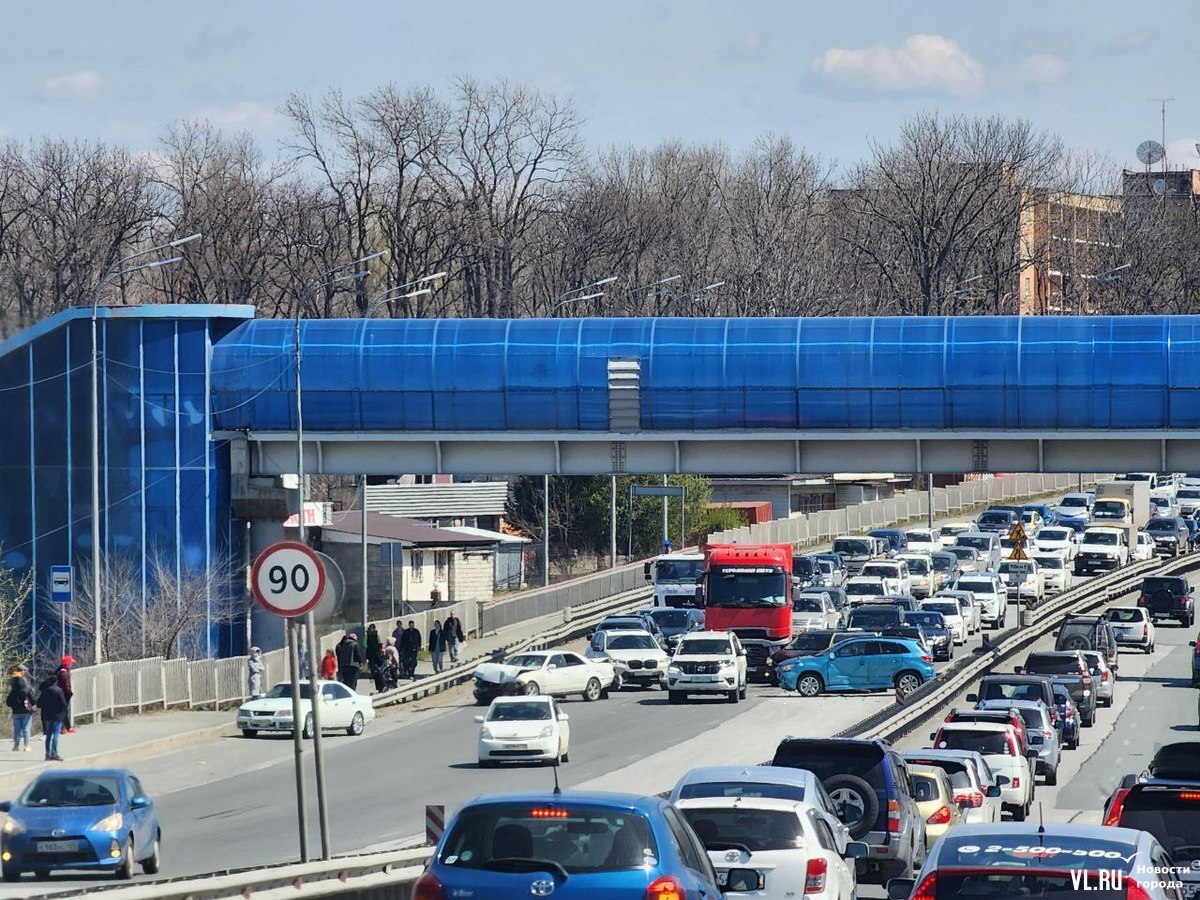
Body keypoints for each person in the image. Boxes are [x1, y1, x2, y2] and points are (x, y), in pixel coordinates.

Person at [36, 673, 68, 762]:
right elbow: (64, 703)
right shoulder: (59, 690)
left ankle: (47, 754)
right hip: (57, 715)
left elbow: (39, 704)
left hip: (48, 716)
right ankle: (54, 753)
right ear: (56, 681)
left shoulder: (45, 691)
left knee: (48, 735)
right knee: (56, 735)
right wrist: (62, 712)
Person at [6, 664, 35, 752]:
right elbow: (32, 699)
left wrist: (14, 705)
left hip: (16, 712)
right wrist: (33, 704)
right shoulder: (26, 689)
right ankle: (27, 745)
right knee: (26, 729)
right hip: (26, 711)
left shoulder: (13, 691)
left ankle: (16, 745)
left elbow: (8, 702)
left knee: (17, 729)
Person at [56, 655, 74, 733]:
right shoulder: (64, 674)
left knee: (63, 710)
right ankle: (63, 727)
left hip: (61, 694)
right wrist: (70, 693)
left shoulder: (61, 672)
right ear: (67, 664)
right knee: (63, 711)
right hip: (63, 695)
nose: (71, 665)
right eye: (70, 663)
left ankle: (66, 727)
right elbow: (66, 686)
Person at [366, 623, 385, 692]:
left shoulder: (376, 634)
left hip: (375, 649)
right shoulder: (367, 634)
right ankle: (372, 672)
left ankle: (376, 671)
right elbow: (365, 642)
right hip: (370, 650)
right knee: (371, 662)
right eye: (372, 627)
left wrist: (379, 647)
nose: (373, 629)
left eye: (374, 627)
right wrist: (367, 647)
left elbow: (379, 641)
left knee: (376, 661)